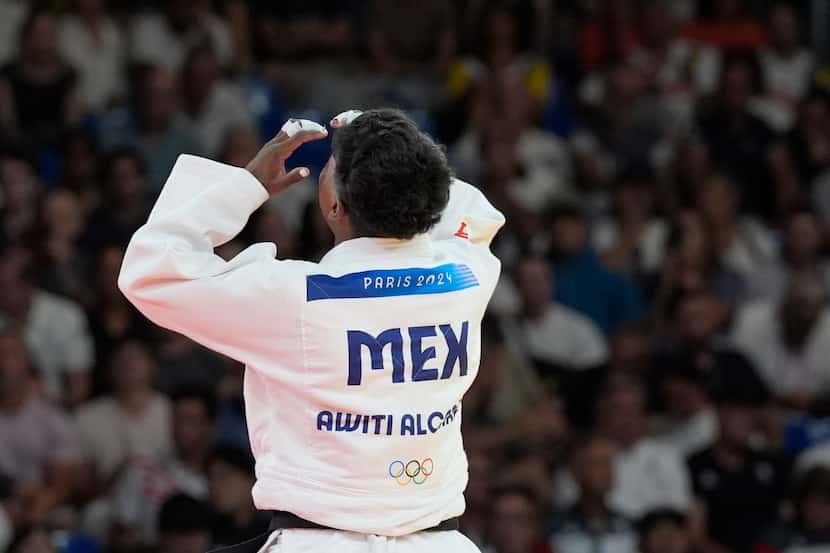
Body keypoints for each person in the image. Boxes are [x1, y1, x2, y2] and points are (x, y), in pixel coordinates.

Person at [118, 109, 504, 551]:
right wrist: (389, 141)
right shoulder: (465, 275)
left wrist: (244, 187)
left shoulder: (294, 298)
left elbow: (150, 271)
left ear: (335, 205)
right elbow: (469, 208)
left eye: (332, 167)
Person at [549, 435, 637, 553]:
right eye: (598, 463)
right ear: (577, 471)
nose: (606, 472)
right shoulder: (554, 527)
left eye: (609, 463)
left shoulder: (629, 526)